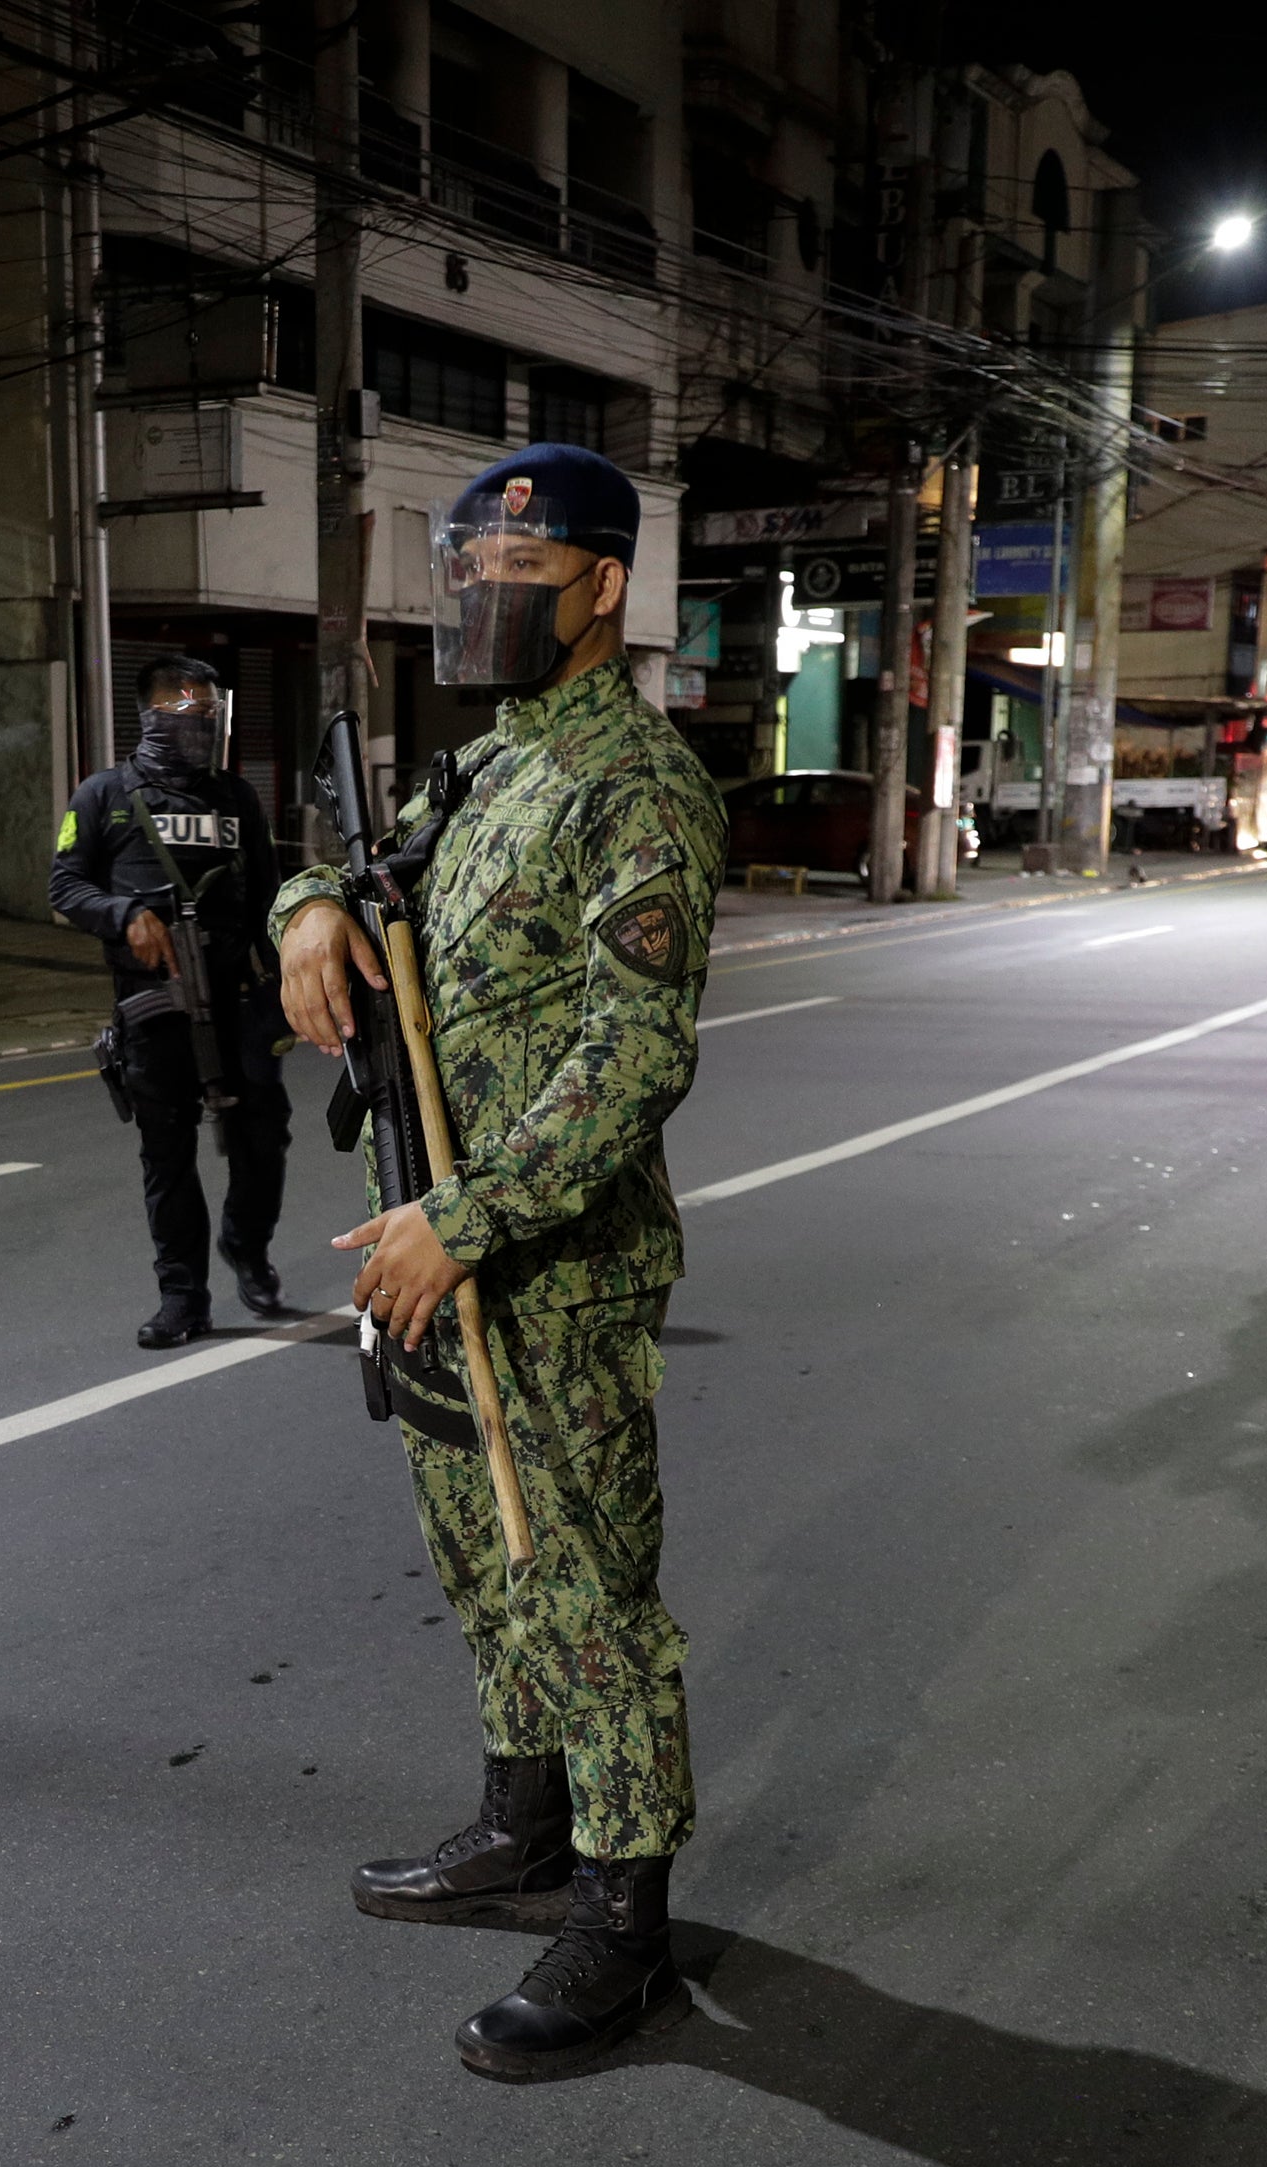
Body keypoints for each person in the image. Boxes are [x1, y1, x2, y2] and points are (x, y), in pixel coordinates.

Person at [271, 442, 725, 2079]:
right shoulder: (490, 765)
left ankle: (624, 1919)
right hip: (434, 1239)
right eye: (466, 576)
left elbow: (633, 1058)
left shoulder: (636, 786)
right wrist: (306, 912)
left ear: (603, 587)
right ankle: (523, 1828)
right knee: (479, 1559)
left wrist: (461, 1225)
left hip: (550, 1266)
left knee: (587, 1592)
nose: (481, 603)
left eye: (517, 580)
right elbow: (365, 867)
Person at [49, 652, 290, 1348]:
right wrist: (124, 914)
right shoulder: (102, 796)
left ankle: (246, 1246)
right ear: (153, 714)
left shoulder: (235, 799)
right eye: (191, 714)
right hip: (153, 1007)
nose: (205, 728)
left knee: (261, 1142)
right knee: (167, 1156)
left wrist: (287, 991)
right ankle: (182, 1296)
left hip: (239, 1002)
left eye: (213, 715)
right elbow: (65, 887)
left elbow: (271, 900)